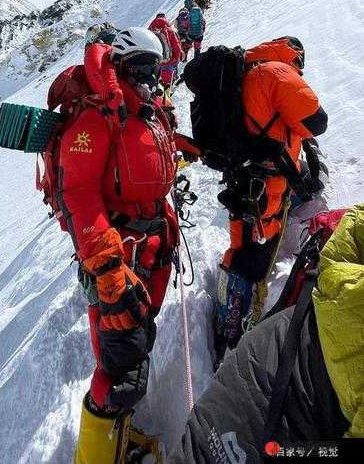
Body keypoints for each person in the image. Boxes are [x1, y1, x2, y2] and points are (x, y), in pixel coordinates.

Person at [60, 27, 180, 462]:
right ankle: (95, 451)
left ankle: (120, 437)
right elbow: (78, 193)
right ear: (121, 68)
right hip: (117, 258)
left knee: (136, 347)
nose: (153, 78)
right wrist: (108, 268)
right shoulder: (98, 116)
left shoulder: (145, 113)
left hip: (150, 249)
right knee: (116, 365)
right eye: (143, 69)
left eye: (156, 69)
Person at [169, 204, 363, 463]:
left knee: (247, 267)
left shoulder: (342, 267)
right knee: (243, 267)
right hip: (277, 402)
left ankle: (226, 334)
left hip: (265, 355)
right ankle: (224, 332)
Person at [182, 37, 328, 357]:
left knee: (241, 248)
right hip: (268, 188)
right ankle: (233, 336)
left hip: (242, 180)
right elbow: (317, 121)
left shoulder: (244, 74)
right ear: (296, 57)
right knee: (252, 258)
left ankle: (225, 327)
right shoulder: (278, 73)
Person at [149, 13, 183, 88]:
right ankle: (170, 88)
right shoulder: (170, 31)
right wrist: (176, 60)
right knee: (167, 86)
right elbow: (177, 46)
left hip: (156, 64)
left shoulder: (149, 32)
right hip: (169, 63)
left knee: (157, 86)